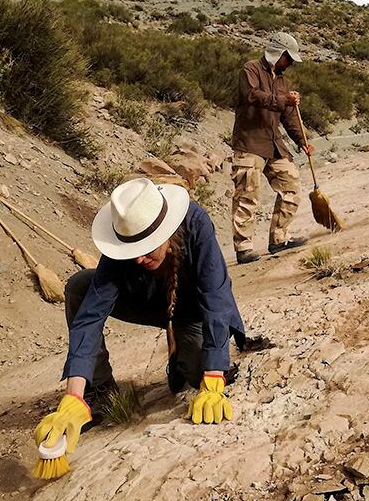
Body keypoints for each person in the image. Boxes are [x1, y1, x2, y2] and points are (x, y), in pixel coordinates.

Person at [33, 178, 245, 477]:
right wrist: (73, 398)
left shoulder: (197, 223)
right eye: (131, 251)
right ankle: (102, 392)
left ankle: (184, 359)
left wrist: (213, 375)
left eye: (147, 249)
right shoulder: (124, 244)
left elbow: (216, 298)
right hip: (146, 301)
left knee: (195, 372)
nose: (138, 258)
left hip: (191, 309)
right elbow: (89, 318)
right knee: (79, 286)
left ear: (167, 232)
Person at [230, 31, 313, 264]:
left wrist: (302, 141)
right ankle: (244, 247)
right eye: (289, 59)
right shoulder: (251, 70)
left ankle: (279, 238)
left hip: (274, 144)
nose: (291, 64)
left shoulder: (283, 81)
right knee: (247, 196)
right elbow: (253, 95)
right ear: (279, 54)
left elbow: (289, 117)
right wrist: (283, 99)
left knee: (291, 186)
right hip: (249, 144)